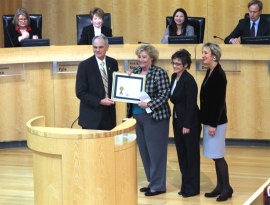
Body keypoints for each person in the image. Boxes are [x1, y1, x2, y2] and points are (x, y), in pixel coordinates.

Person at [127, 44, 171, 196]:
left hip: (155, 118)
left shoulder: (159, 73)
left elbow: (165, 94)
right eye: (139, 57)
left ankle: (158, 186)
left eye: (144, 57)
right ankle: (152, 181)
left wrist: (150, 104)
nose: (141, 59)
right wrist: (127, 80)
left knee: (156, 152)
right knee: (145, 152)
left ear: (152, 58)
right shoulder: (136, 72)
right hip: (137, 117)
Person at [200, 42, 233, 202]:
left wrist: (213, 124)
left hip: (217, 123)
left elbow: (219, 102)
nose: (202, 56)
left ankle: (226, 188)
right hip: (211, 121)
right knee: (215, 155)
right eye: (202, 53)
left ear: (214, 55)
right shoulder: (210, 71)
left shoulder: (219, 74)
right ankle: (220, 186)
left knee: (218, 156)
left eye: (205, 53)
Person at [170, 49, 201, 198]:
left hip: (189, 124)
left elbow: (191, 104)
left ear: (186, 65)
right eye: (174, 63)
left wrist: (187, 125)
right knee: (182, 155)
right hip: (177, 121)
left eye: (178, 64)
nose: (175, 66)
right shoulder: (174, 77)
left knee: (191, 156)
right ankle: (185, 186)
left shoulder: (189, 81)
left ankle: (193, 188)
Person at [75, 34, 118, 130]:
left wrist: (127, 77)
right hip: (91, 118)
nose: (97, 50)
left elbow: (117, 86)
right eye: (95, 47)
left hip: (109, 117)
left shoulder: (113, 63)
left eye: (100, 47)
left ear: (107, 47)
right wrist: (99, 101)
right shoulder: (84, 66)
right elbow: (80, 93)